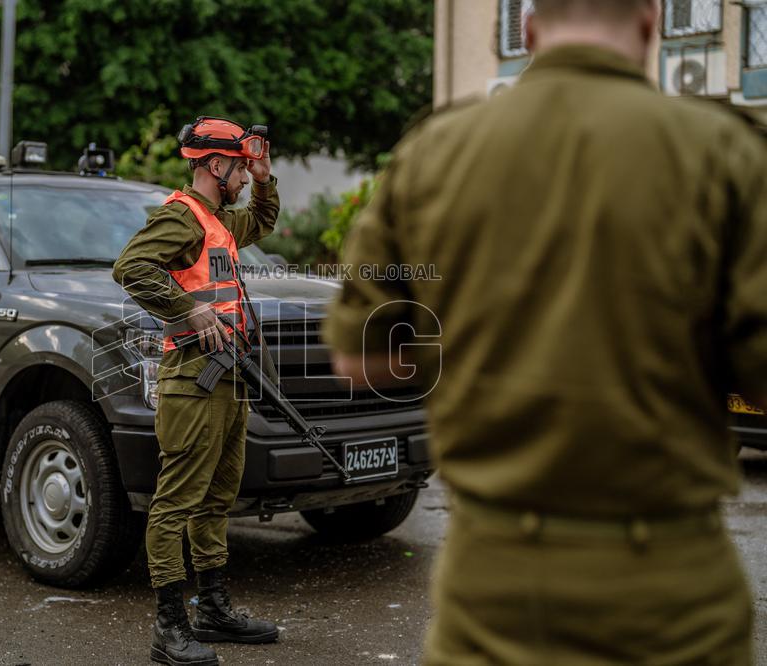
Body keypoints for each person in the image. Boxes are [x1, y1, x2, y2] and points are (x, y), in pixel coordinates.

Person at [324, 0, 767, 663]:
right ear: (649, 25)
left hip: (496, 591)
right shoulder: (724, 152)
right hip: (673, 594)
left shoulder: (436, 153)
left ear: (529, 32)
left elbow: (361, 361)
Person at [113, 116, 280, 666]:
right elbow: (131, 267)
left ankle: (212, 607)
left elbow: (264, 219)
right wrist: (188, 307)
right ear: (214, 165)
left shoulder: (217, 219)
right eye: (236, 165)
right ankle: (168, 626)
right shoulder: (182, 218)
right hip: (193, 380)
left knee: (217, 496)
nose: (240, 173)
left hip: (228, 377)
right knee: (176, 501)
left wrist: (263, 174)